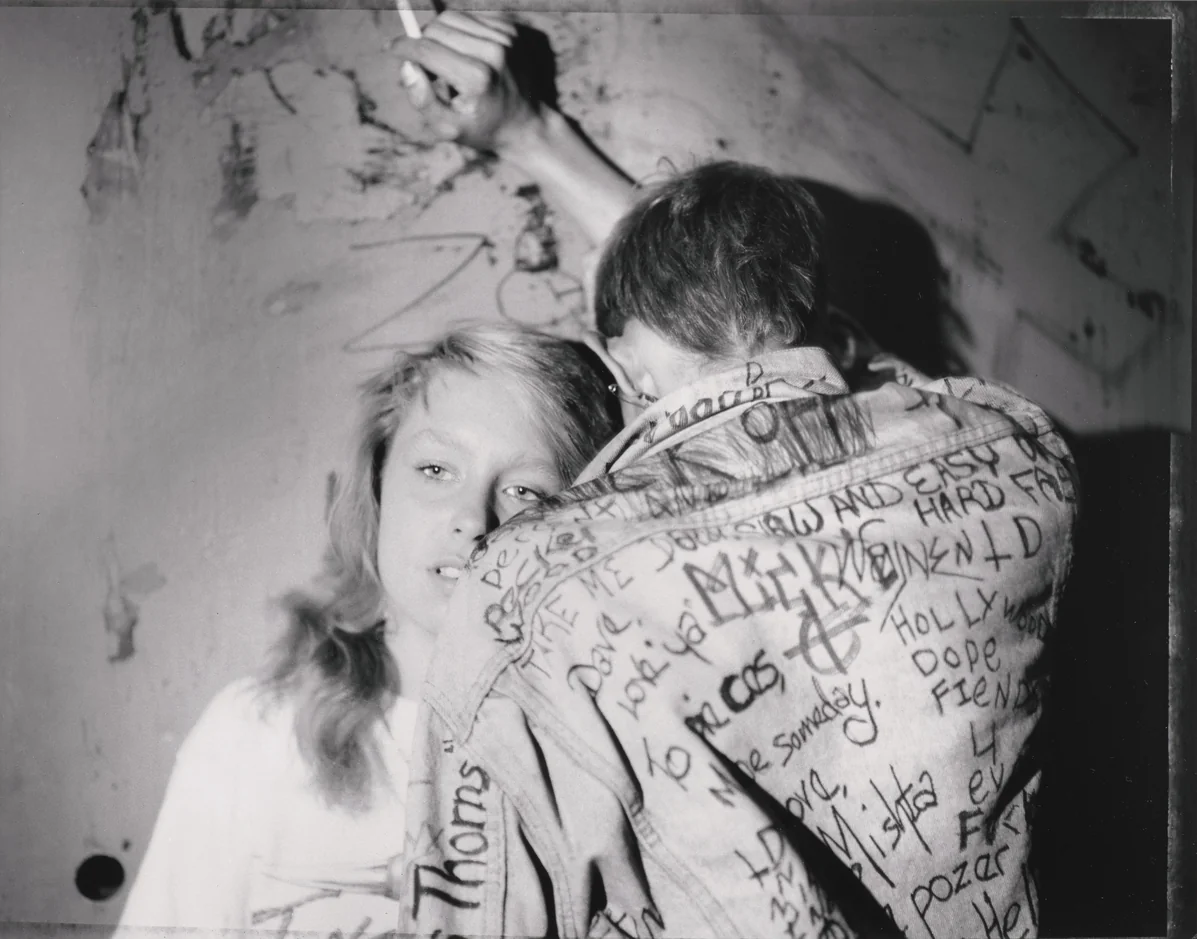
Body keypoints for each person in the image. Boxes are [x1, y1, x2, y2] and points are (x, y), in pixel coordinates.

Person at [393, 14, 1078, 939]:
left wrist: (522, 134)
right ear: (815, 314)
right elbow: (839, 369)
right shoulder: (1014, 451)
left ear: (623, 369)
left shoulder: (521, 594)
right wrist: (534, 133)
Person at [114, 324, 620, 937]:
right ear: (379, 490)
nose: (472, 519)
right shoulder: (251, 738)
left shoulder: (619, 755)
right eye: (436, 469)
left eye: (525, 490)